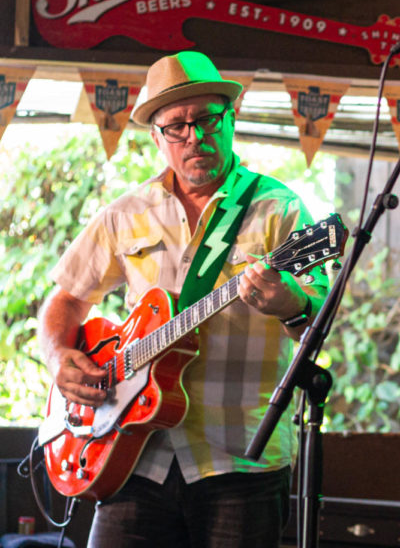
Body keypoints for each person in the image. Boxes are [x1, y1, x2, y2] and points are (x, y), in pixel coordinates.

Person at [38, 51, 329, 547]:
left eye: (207, 119)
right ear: (157, 138)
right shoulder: (124, 214)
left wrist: (292, 305)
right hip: (131, 453)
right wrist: (57, 354)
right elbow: (64, 301)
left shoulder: (281, 210)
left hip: (240, 457)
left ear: (230, 119)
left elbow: (317, 324)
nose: (195, 136)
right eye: (176, 126)